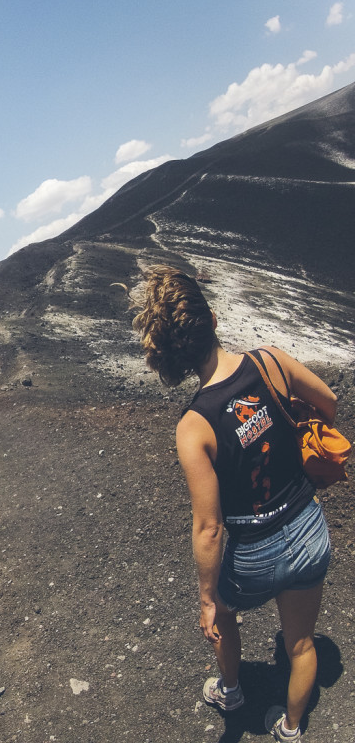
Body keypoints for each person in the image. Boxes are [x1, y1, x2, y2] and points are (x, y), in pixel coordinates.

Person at [131, 266, 337, 741]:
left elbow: (209, 528)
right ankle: (290, 728)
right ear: (215, 319)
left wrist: (206, 599)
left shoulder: (194, 426)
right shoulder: (271, 363)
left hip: (253, 554)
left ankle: (231, 689)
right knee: (301, 643)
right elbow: (327, 401)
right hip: (309, 530)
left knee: (222, 611)